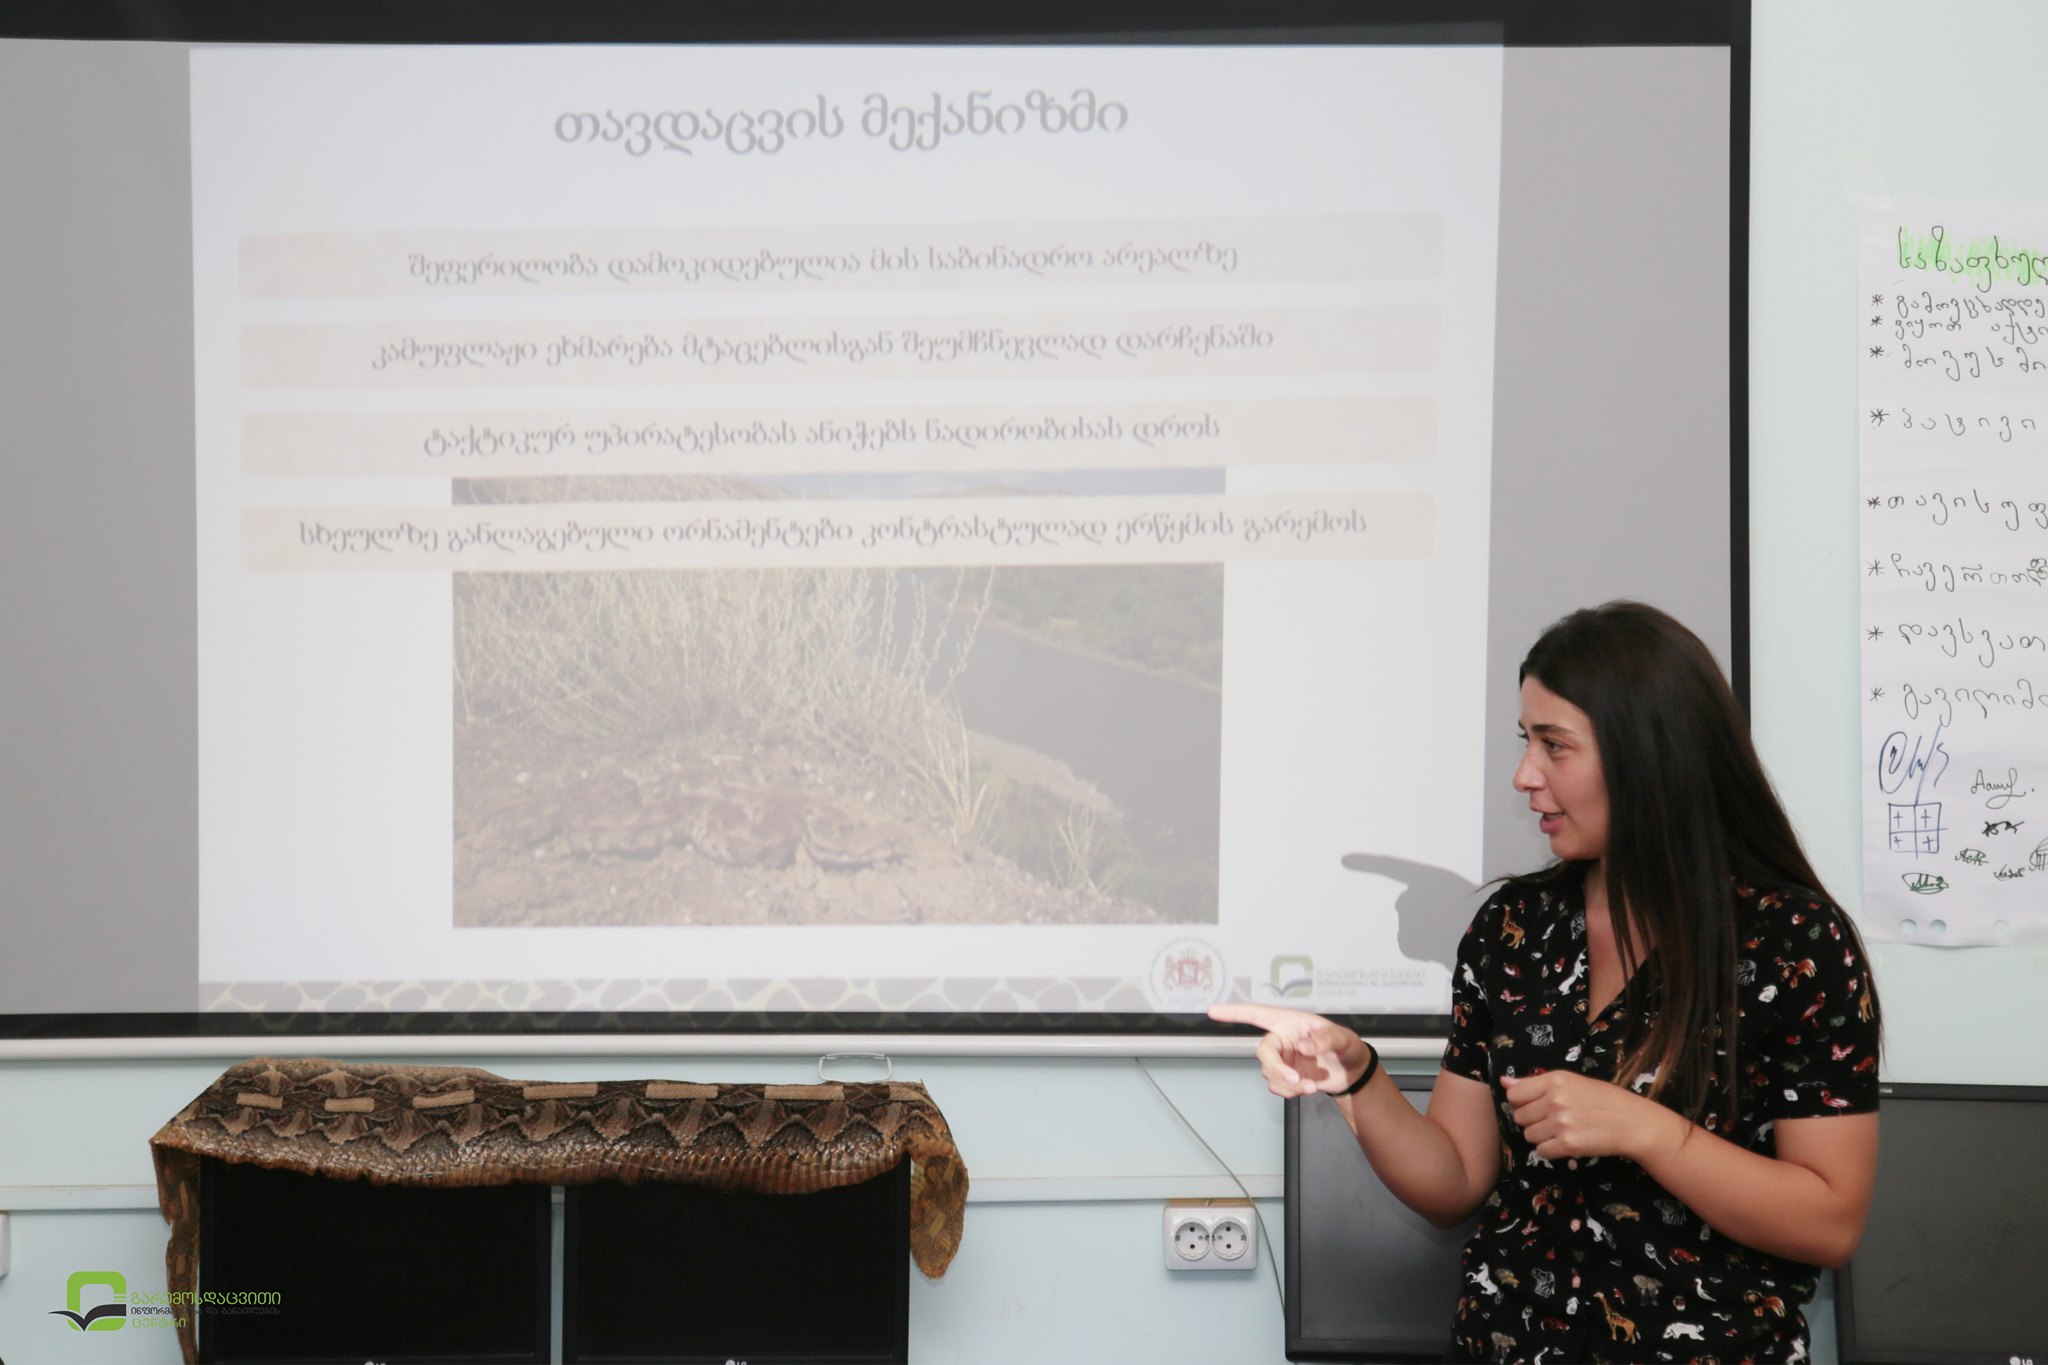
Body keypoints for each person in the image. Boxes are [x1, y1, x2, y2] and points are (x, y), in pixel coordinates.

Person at [1212, 601, 1880, 1364]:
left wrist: (1646, 1130)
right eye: (1526, 741)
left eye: (1555, 745)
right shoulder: (1513, 927)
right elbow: (1455, 1177)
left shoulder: (1795, 942)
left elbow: (1830, 1220)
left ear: (1649, 754)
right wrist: (1357, 1076)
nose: (1524, 774)